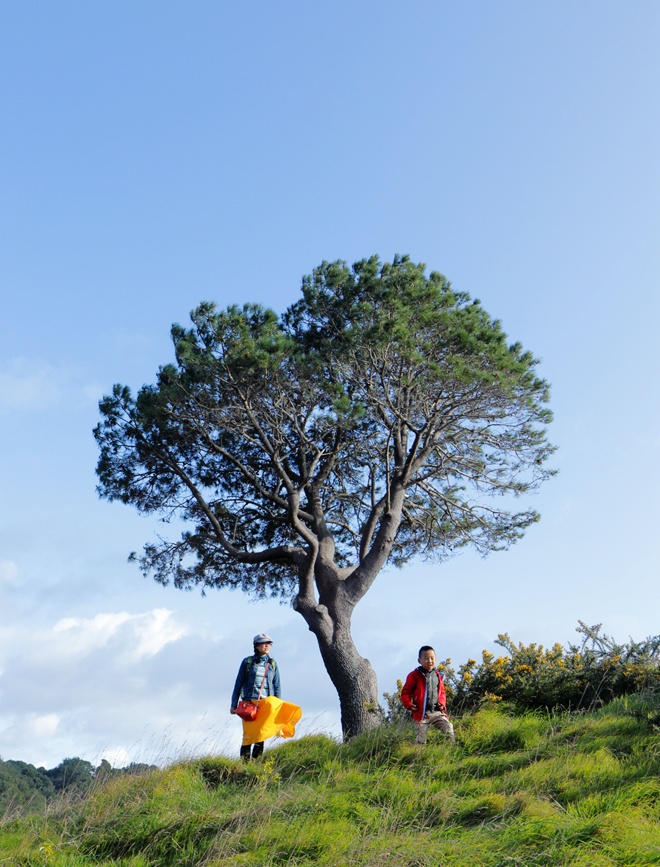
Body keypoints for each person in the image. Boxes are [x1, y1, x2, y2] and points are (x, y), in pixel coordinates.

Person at [231, 633, 282, 760]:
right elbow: (238, 684)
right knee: (248, 734)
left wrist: (278, 706)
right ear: (256, 646)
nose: (267, 645)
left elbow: (277, 686)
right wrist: (233, 704)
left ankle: (256, 762)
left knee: (261, 734)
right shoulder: (247, 662)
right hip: (249, 703)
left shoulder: (272, 664)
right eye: (264, 643)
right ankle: (244, 763)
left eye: (269, 643)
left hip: (266, 703)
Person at [400, 645, 456, 745]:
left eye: (432, 658)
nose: (429, 661)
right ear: (419, 660)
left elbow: (442, 692)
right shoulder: (414, 675)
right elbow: (405, 692)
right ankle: (418, 757)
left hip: (437, 712)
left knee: (448, 728)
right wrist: (408, 704)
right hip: (421, 714)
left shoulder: (437, 675)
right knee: (420, 739)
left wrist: (442, 704)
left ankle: (450, 751)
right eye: (426, 658)